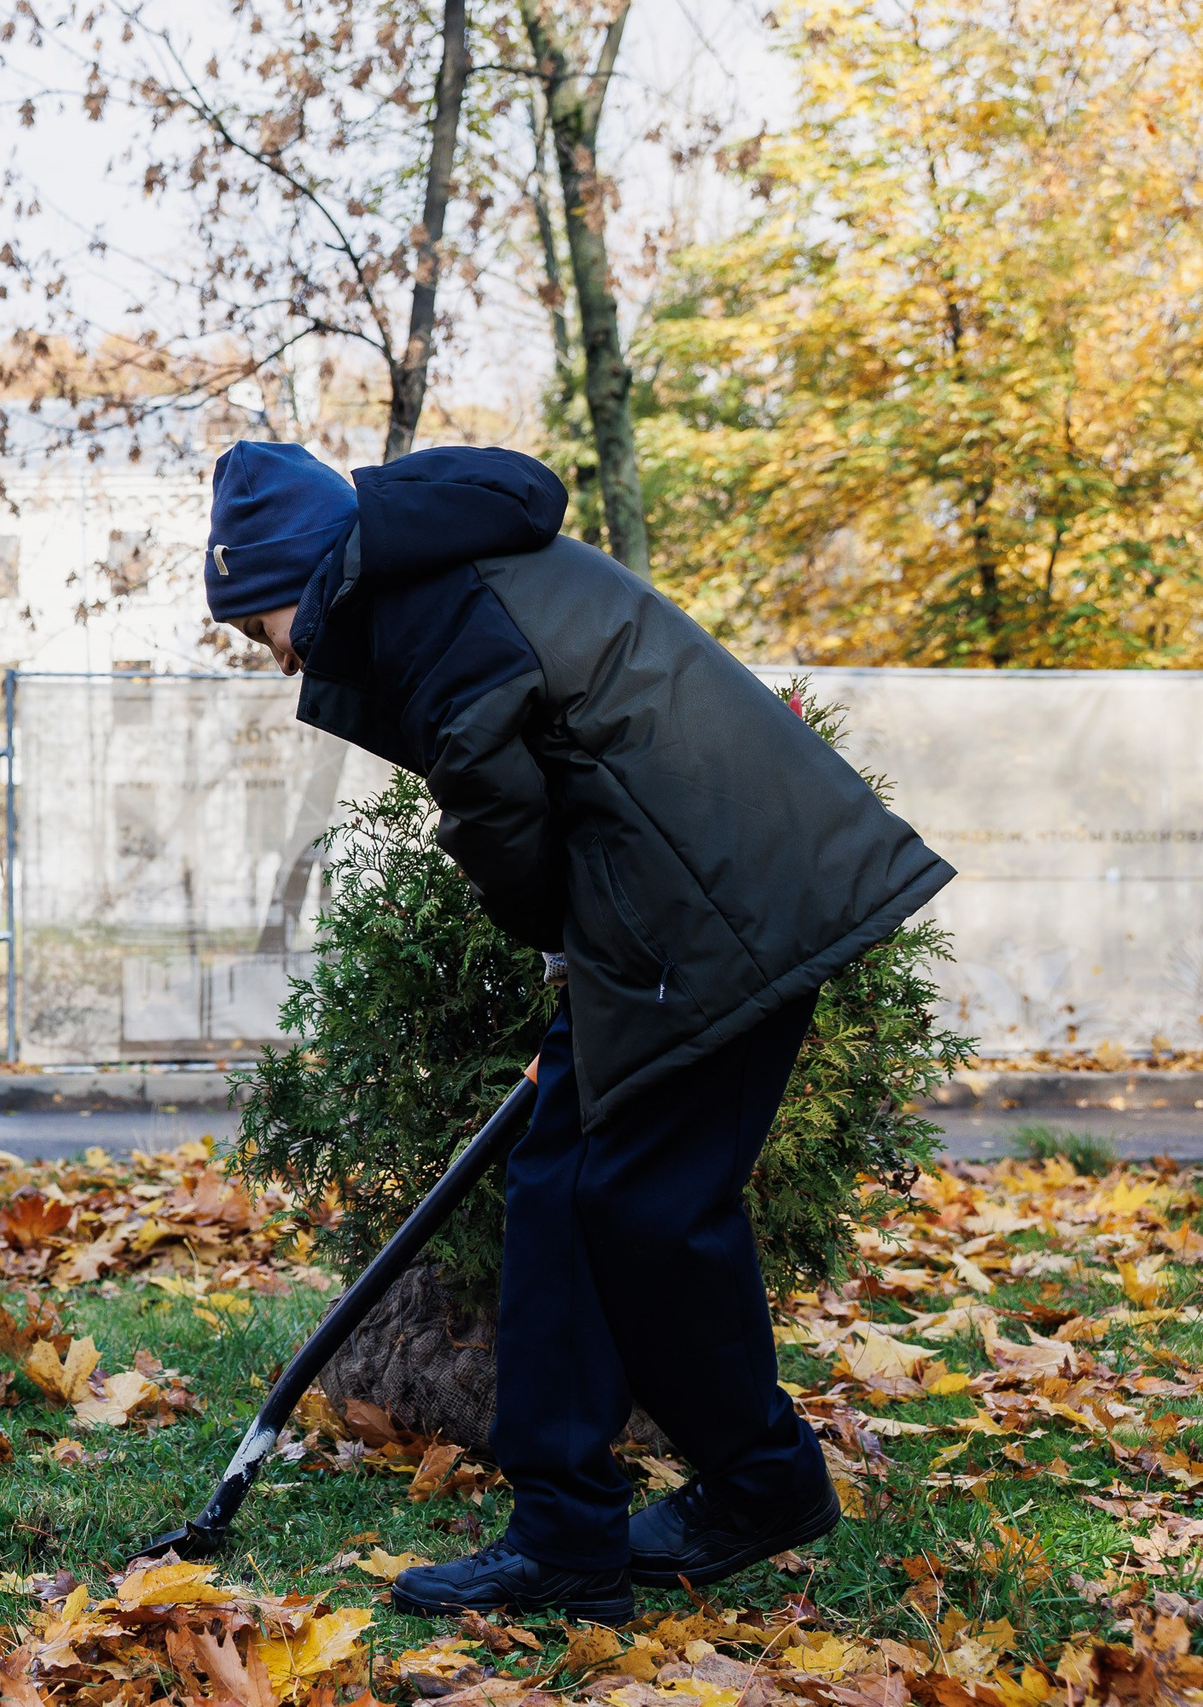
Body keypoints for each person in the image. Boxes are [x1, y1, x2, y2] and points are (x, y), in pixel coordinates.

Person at [203, 442, 953, 1622]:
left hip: (711, 907)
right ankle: (565, 1536)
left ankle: (761, 1482)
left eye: (265, 623)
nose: (277, 654)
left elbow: (496, 804)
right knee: (561, 1192)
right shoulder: (442, 574)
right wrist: (575, 952)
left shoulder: (426, 606)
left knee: (643, 1208)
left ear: (312, 571)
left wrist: (554, 933)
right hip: (673, 903)